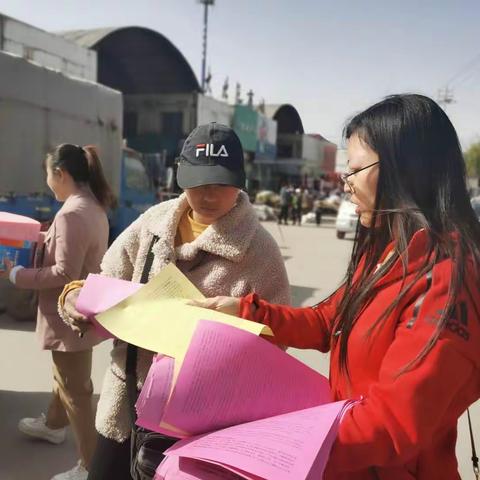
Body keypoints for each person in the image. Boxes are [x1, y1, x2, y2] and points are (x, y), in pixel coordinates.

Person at [191, 95, 480, 480]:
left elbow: (391, 424)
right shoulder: (390, 250)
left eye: (356, 169)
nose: (345, 184)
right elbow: (328, 320)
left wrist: (280, 446)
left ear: (405, 170)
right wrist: (245, 312)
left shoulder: (446, 277)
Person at [58, 123, 290, 480]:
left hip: (198, 420)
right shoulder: (153, 223)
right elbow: (105, 277)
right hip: (125, 400)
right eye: (198, 184)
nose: (208, 195)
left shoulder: (260, 252)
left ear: (241, 181)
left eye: (220, 184)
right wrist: (74, 295)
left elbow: (278, 340)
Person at [0, 144, 116, 480]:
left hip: (70, 315)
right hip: (82, 311)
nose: (48, 182)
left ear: (60, 174)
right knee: (65, 378)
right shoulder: (91, 206)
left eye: (48, 175)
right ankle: (53, 424)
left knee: (76, 391)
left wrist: (16, 275)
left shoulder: (71, 213)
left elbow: (65, 273)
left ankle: (90, 466)